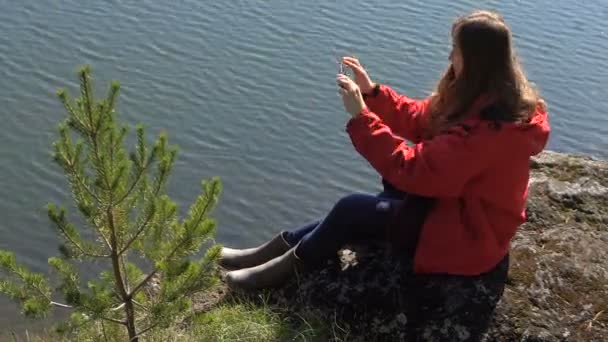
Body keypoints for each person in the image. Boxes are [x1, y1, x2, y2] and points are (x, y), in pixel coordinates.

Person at [219, 10, 550, 340]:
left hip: (466, 233)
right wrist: (373, 93)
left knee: (352, 209)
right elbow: (425, 119)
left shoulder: (491, 132)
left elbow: (414, 171)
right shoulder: (484, 96)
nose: (450, 56)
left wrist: (362, 118)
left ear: (476, 60)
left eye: (456, 50)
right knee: (363, 206)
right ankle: (274, 250)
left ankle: (275, 275)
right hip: (452, 203)